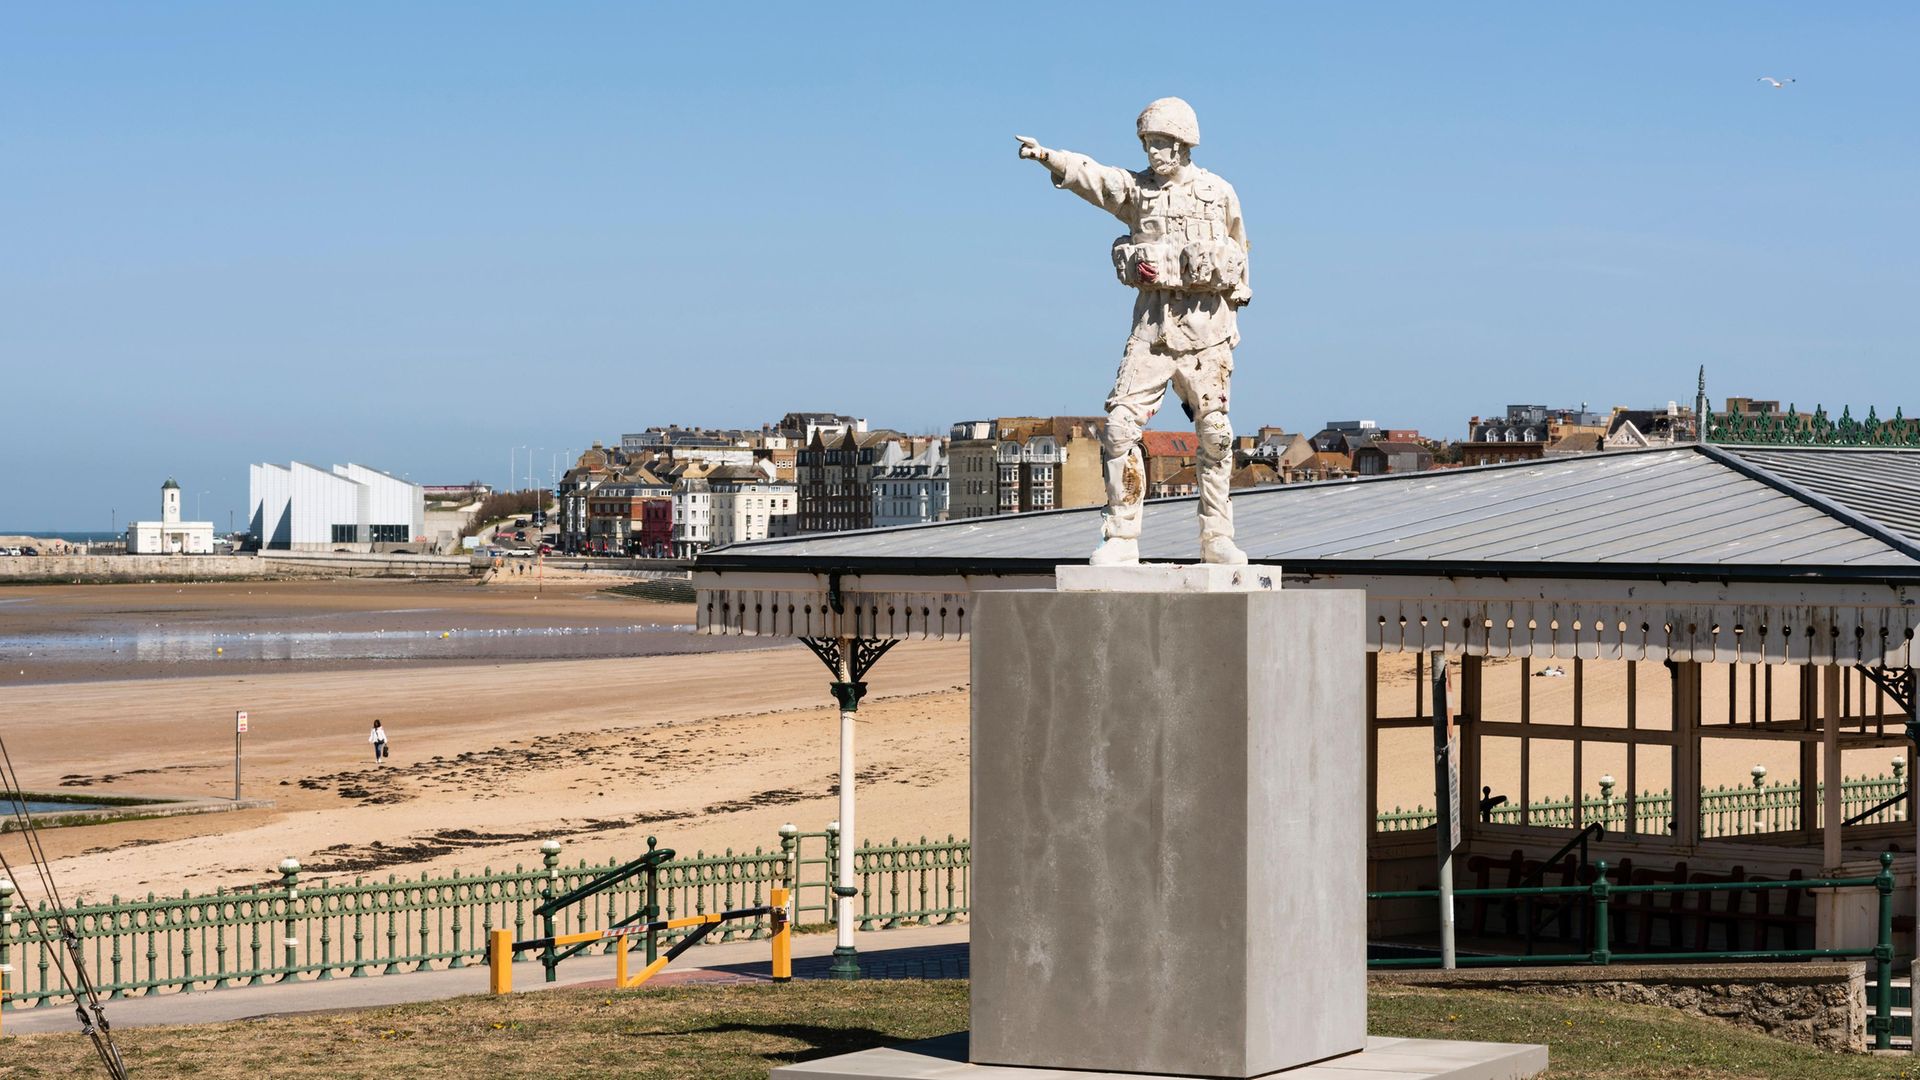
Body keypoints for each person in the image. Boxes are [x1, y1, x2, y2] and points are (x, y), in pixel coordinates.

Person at [1017, 97, 1252, 566]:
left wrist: (1221, 294)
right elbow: (1096, 179)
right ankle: (1122, 536)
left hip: (1206, 332)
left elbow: (1241, 260)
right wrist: (1050, 157)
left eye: (1161, 143)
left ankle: (1217, 536)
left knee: (1216, 435)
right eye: (1147, 143)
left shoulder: (1219, 192)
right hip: (1152, 329)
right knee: (1120, 427)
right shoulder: (1137, 191)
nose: (1153, 153)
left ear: (1184, 144)